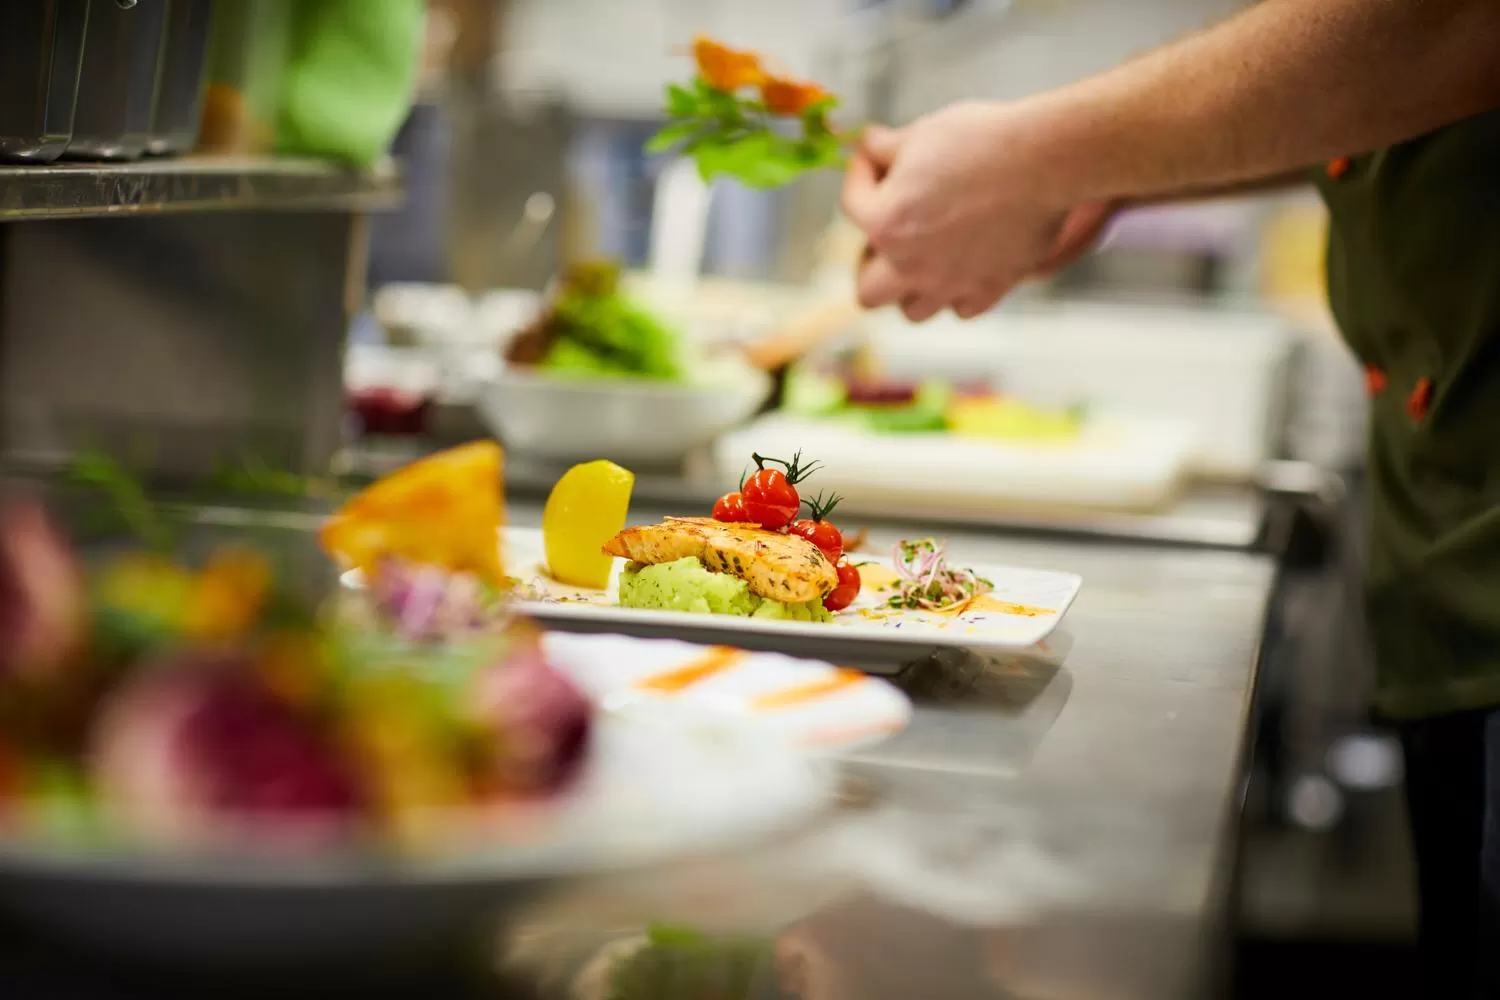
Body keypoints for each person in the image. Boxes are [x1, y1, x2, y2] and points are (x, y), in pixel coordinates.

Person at [839, 2, 1500, 996]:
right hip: (1452, 556)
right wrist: (1093, 156)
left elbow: (1439, 24)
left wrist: (1037, 157)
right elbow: (1378, 82)